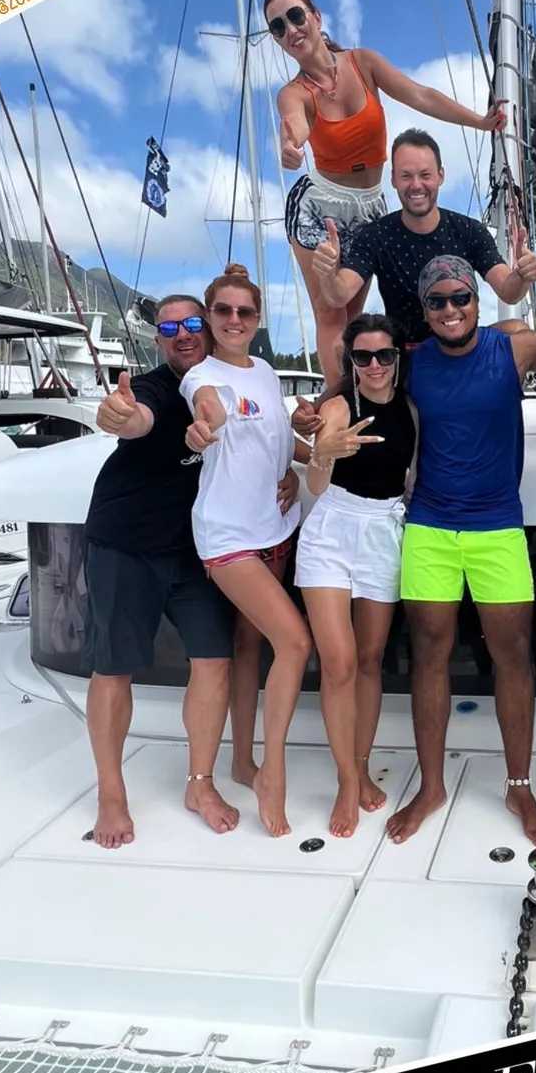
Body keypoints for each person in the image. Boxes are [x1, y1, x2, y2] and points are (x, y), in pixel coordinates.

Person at [388, 256, 536, 847]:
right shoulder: (411, 363)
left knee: (513, 657)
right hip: (430, 526)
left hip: (498, 527)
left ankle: (519, 786)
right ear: (424, 309)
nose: (450, 309)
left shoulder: (511, 349)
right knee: (429, 655)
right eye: (436, 301)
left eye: (460, 297)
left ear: (477, 300)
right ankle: (431, 787)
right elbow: (352, 386)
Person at [268, 0, 507, 376]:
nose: (290, 29)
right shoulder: (293, 93)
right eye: (278, 27)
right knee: (330, 313)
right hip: (320, 204)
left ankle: (357, 391)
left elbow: (421, 95)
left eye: (295, 16)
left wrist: (480, 122)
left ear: (316, 17)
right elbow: (294, 124)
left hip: (369, 204)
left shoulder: (362, 63)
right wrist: (290, 146)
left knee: (352, 313)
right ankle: (339, 399)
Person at [84, 298, 244, 849]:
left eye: (193, 323)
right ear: (158, 340)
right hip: (125, 544)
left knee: (214, 661)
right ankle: (111, 793)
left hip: (192, 549)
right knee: (114, 668)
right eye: (170, 327)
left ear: (210, 330)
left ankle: (200, 785)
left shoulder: (226, 385)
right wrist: (120, 417)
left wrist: (290, 475)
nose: (183, 334)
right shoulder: (154, 389)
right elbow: (137, 418)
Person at [181, 263, 309, 840]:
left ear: (257, 319)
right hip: (229, 537)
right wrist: (203, 429)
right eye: (224, 310)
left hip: (273, 528)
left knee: (250, 646)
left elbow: (277, 439)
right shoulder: (201, 376)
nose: (234, 320)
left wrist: (303, 460)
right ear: (210, 316)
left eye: (245, 311)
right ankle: (271, 772)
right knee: (295, 642)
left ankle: (240, 760)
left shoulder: (265, 371)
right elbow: (209, 413)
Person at [295, 314, 417, 838]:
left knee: (369, 660)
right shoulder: (339, 407)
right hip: (332, 530)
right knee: (340, 662)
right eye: (362, 357)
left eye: (383, 355)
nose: (374, 365)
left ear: (397, 357)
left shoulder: (411, 410)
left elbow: (412, 478)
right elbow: (318, 485)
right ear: (351, 360)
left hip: (384, 530)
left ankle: (362, 765)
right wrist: (322, 454)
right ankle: (347, 780)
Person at [310, 128, 536, 346]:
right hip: (409, 353)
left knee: (518, 331)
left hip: (461, 346)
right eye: (406, 176)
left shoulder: (469, 231)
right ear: (393, 179)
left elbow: (509, 292)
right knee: (345, 346)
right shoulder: (375, 235)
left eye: (425, 175)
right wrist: (328, 273)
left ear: (440, 176)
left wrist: (522, 275)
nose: (416, 185)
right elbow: (339, 295)